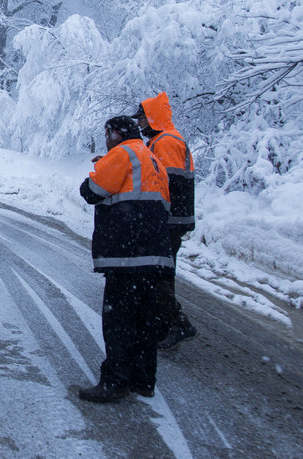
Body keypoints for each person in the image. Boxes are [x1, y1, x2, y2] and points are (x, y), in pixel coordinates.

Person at [77, 116, 174, 403]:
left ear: (117, 133)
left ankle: (116, 380)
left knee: (119, 320)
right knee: (146, 319)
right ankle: (144, 380)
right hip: (154, 252)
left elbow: (90, 191)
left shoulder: (122, 153)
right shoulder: (153, 159)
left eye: (107, 133)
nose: (105, 138)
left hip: (127, 253)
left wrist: (101, 165)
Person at [134, 92, 198, 350]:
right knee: (157, 272)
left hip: (170, 220)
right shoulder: (160, 141)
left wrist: (155, 217)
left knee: (159, 274)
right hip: (169, 219)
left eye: (141, 118)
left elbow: (167, 185)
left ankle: (177, 323)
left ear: (153, 118)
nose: (139, 124)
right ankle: (163, 324)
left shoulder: (167, 142)